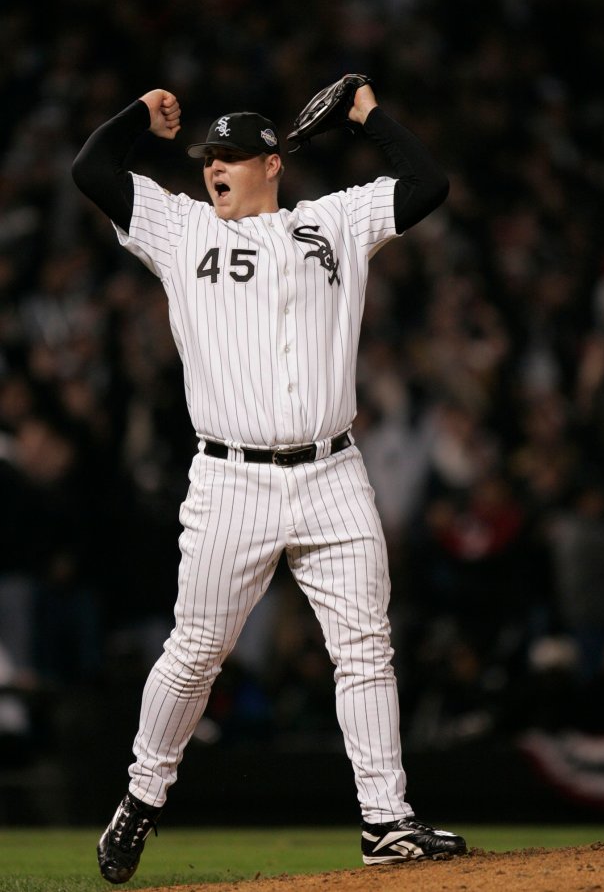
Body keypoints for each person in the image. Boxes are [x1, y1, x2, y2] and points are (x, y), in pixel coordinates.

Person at [72, 78, 467, 885]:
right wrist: (139, 119)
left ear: (271, 164)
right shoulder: (180, 229)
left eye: (228, 157)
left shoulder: (333, 222)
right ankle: (141, 796)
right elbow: (91, 169)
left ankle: (386, 819)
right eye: (206, 158)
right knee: (194, 653)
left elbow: (429, 183)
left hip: (333, 470)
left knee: (364, 650)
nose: (212, 168)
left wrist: (368, 115)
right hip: (231, 480)